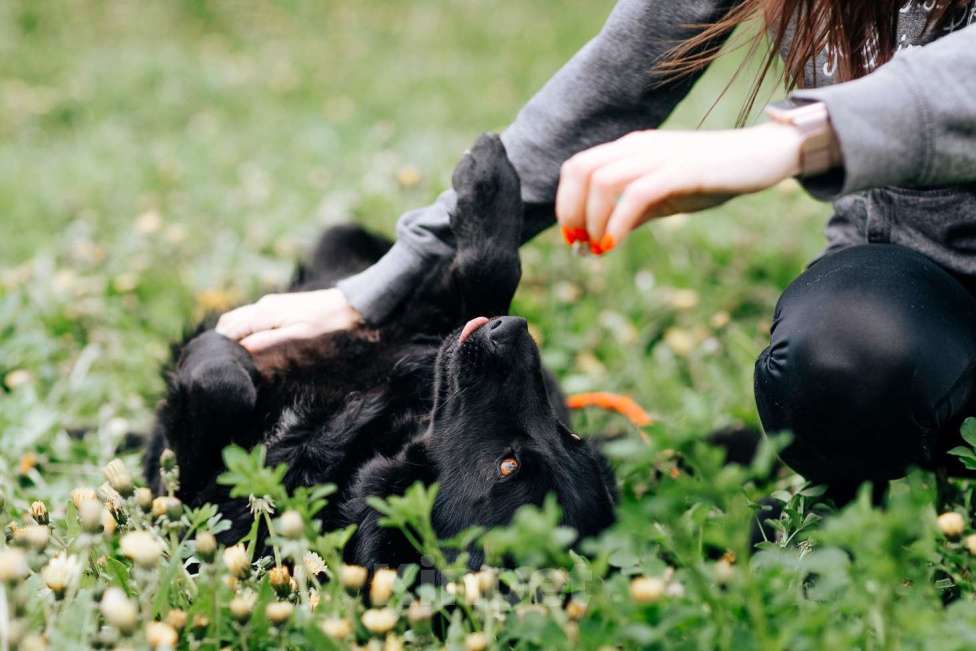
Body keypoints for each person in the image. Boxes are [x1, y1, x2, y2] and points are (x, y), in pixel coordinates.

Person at [217, 1, 976, 497]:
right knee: (844, 361)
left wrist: (799, 138)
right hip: (928, 281)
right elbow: (613, 86)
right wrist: (381, 286)